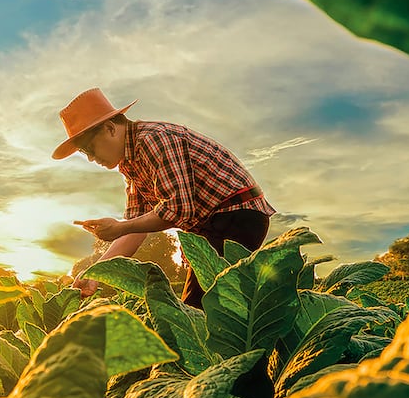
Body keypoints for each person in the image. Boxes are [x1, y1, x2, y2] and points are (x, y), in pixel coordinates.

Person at [53, 88, 275, 308]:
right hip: (213, 226)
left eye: (90, 149)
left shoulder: (153, 139)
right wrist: (96, 272)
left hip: (236, 215)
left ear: (110, 128)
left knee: (198, 312)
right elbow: (134, 230)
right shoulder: (130, 164)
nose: (91, 159)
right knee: (211, 310)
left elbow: (178, 210)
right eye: (85, 153)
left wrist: (120, 227)